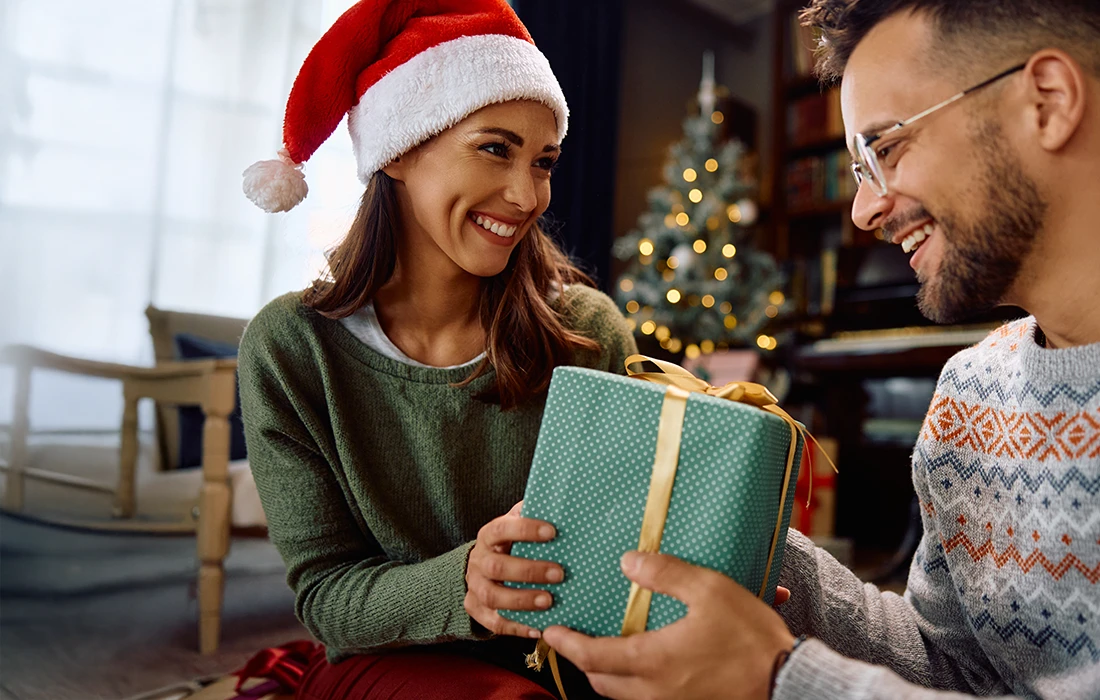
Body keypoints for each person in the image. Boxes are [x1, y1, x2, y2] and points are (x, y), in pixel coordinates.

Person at [541, 1, 1100, 698]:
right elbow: (952, 666)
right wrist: (747, 539)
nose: (864, 211)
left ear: (1047, 102)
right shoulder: (971, 391)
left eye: (885, 150)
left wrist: (783, 679)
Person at [236, 1, 635, 697]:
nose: (526, 194)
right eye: (494, 148)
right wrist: (466, 583)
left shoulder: (588, 332)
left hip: (575, 655)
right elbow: (328, 598)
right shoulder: (292, 350)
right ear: (400, 149)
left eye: (544, 161)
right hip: (388, 657)